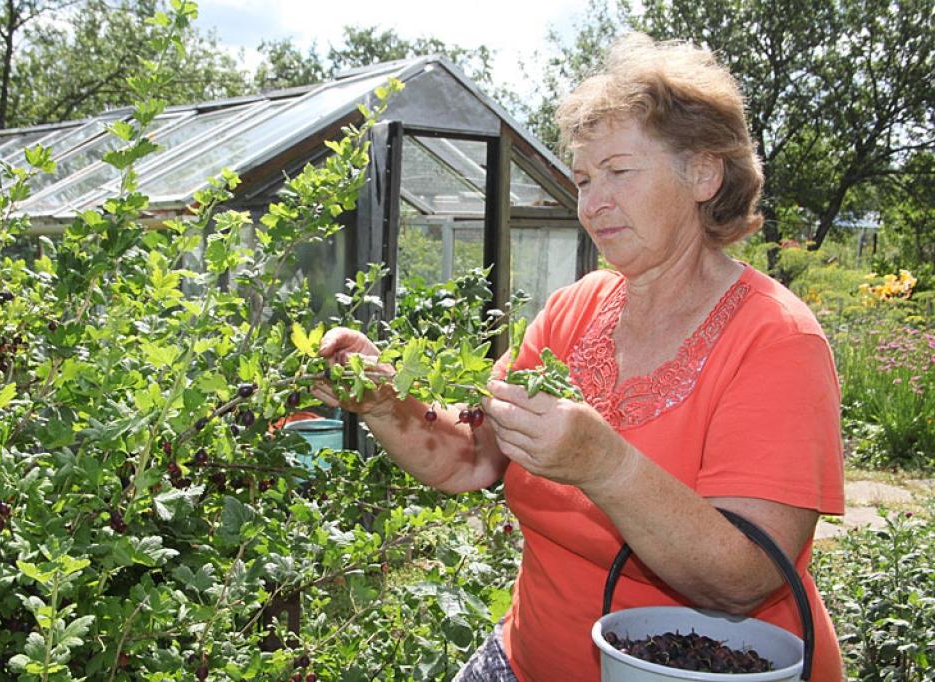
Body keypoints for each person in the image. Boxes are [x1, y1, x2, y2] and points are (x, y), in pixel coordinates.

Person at [312, 32, 845, 681]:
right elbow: (474, 456)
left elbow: (741, 581)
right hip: (529, 658)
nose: (592, 204)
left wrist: (605, 464)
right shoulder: (574, 310)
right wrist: (381, 401)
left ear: (703, 173)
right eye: (584, 180)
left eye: (619, 172)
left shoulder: (776, 340)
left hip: (707, 669)